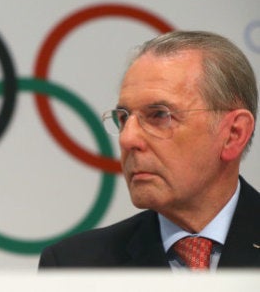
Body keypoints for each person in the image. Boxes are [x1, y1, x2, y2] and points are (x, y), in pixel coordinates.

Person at [38, 30, 260, 270]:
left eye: (159, 116)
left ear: (233, 134)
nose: (127, 139)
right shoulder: (75, 267)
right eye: (123, 118)